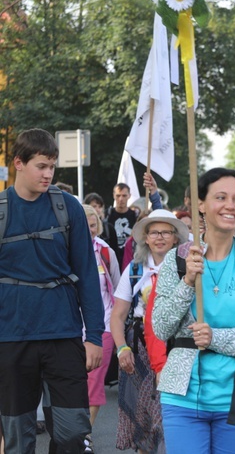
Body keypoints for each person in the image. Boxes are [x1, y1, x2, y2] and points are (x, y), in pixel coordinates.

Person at [152, 168, 235, 453]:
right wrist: (187, 281)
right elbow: (161, 327)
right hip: (182, 399)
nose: (230, 206)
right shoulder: (177, 260)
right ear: (201, 204)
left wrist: (215, 338)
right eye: (220, 197)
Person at [0, 128, 104, 453]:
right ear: (19, 163)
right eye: (41, 166)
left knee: (73, 432)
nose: (48, 174)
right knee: (18, 438)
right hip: (12, 337)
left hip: (63, 335)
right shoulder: (2, 210)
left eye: (52, 167)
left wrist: (94, 336)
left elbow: (87, 273)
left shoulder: (68, 207)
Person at [110, 209, 188, 453]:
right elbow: (118, 315)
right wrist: (121, 347)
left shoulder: (187, 268)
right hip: (139, 348)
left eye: (166, 232)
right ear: (145, 237)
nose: (160, 237)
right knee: (141, 417)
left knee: (171, 413)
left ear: (176, 238)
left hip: (175, 346)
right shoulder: (134, 270)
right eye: (154, 232)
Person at [82, 204, 121, 453]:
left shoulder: (106, 252)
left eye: (93, 223)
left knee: (93, 383)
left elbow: (117, 289)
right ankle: (72, 432)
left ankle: (85, 436)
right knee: (72, 385)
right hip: (69, 330)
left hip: (102, 328)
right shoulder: (62, 250)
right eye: (84, 224)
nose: (89, 229)